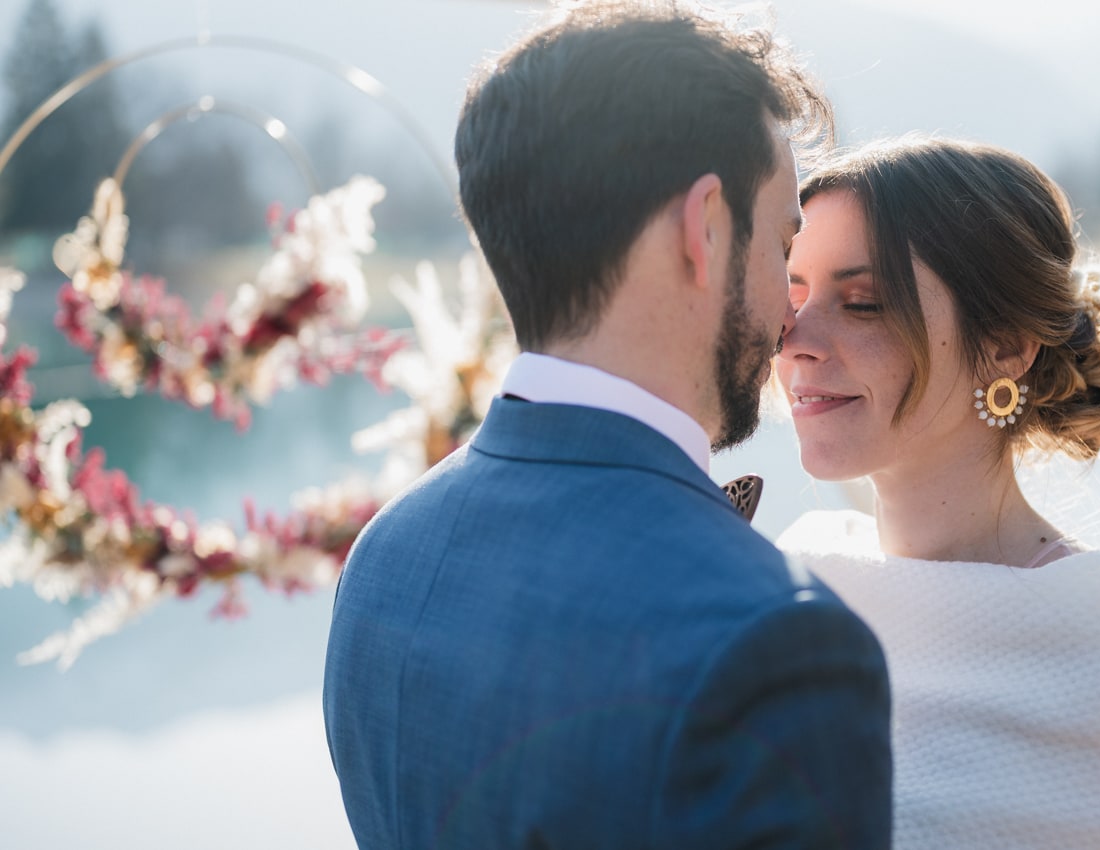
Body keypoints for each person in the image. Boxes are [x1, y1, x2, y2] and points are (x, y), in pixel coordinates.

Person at [323, 3, 892, 848]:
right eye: (781, 245)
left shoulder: (384, 558)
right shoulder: (776, 647)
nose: (789, 312)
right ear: (703, 228)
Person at [775, 135, 1100, 848]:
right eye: (791, 293)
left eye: (863, 302)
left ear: (1007, 345)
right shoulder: (792, 589)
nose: (796, 337)